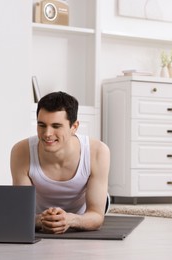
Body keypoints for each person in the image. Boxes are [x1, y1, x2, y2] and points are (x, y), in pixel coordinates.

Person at [10, 91, 110, 234]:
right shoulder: (21, 151)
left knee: (100, 202)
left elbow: (96, 216)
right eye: (42, 125)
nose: (47, 134)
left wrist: (70, 220)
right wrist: (40, 220)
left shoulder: (98, 151)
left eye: (56, 126)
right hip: (41, 214)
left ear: (74, 127)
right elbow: (22, 213)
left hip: (82, 211)